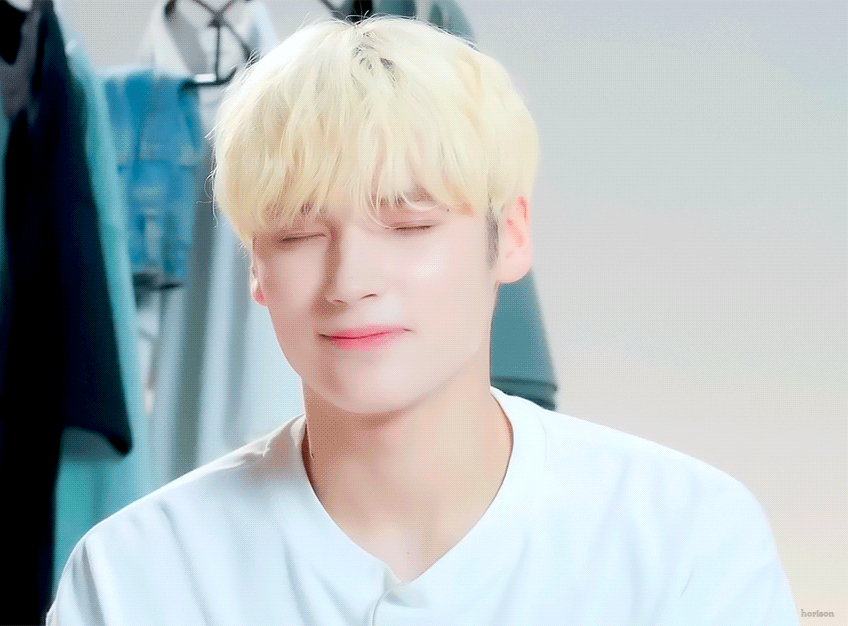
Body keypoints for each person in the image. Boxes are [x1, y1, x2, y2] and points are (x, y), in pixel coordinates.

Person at [47, 15, 798, 625]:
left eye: (409, 226)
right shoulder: (133, 574)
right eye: (300, 234)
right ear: (256, 268)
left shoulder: (687, 541)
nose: (350, 282)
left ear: (511, 236)